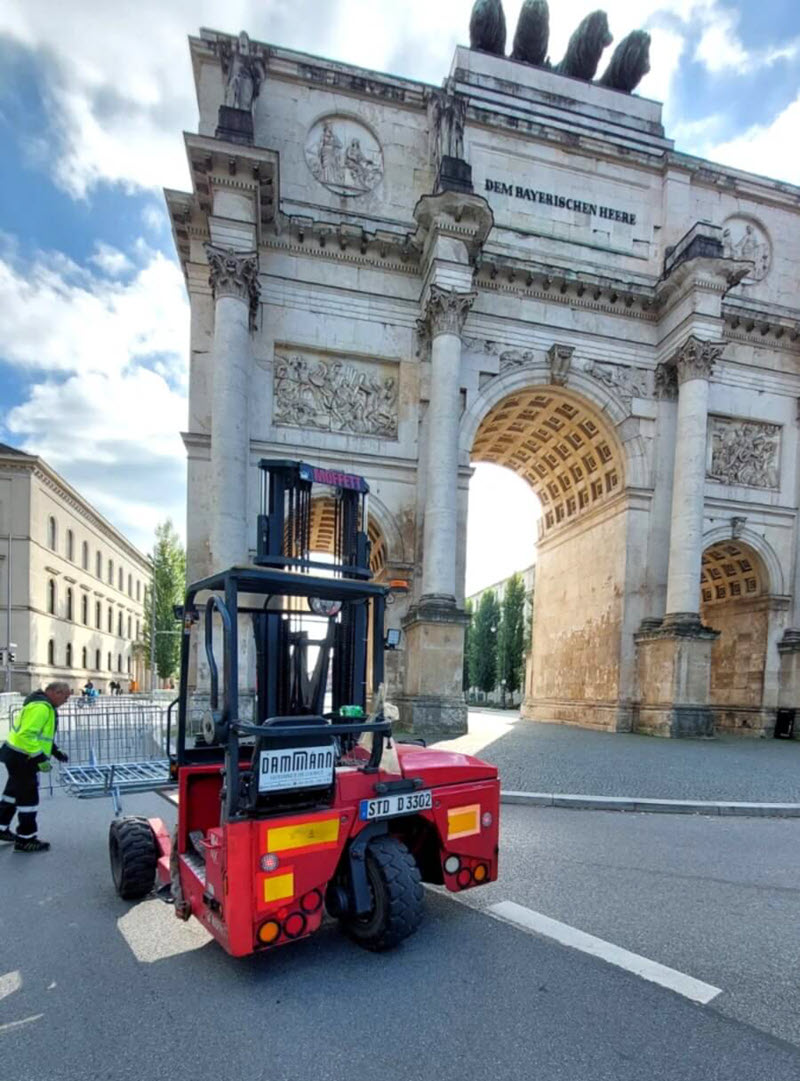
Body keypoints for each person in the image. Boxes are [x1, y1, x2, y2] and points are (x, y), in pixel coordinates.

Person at [0, 681, 71, 852]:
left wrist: (55, 751)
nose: (66, 701)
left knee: (12, 794)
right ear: (56, 693)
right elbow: (27, 735)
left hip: (16, 755)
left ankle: (1, 828)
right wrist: (40, 758)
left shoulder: (41, 704)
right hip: (23, 757)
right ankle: (25, 839)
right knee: (28, 799)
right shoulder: (41, 708)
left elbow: (40, 735)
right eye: (65, 697)